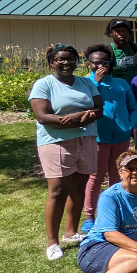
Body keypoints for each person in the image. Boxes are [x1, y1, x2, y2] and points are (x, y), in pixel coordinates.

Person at [29, 44, 102, 261]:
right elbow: (42, 115)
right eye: (60, 59)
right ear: (51, 62)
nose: (65, 62)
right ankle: (52, 243)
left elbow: (99, 109)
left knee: (79, 187)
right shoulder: (44, 84)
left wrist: (84, 117)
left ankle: (71, 233)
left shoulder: (86, 83)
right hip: (56, 142)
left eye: (70, 58)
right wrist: (67, 121)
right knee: (58, 190)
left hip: (86, 139)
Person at [82, 45, 137, 232]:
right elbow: (85, 103)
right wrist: (96, 82)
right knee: (95, 177)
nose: (101, 66)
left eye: (105, 62)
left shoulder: (121, 84)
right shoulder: (85, 84)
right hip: (98, 137)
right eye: (96, 63)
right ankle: (90, 215)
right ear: (89, 64)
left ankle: (115, 210)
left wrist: (130, 125)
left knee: (118, 175)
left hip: (121, 136)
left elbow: (133, 107)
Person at [105, 19, 137, 83]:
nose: (121, 33)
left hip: (135, 88)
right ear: (111, 33)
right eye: (117, 31)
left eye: (124, 30)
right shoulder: (107, 51)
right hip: (117, 90)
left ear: (129, 32)